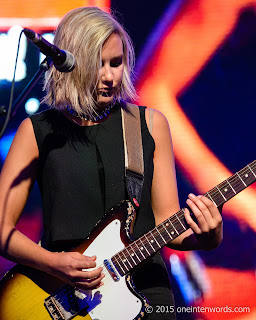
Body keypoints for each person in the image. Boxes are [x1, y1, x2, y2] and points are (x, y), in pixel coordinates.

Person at [0, 6, 223, 320]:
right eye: (97, 64)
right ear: (68, 65)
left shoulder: (149, 125)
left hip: (147, 297)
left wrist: (207, 236)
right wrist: (53, 263)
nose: (109, 75)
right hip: (62, 298)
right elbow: (1, 228)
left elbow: (167, 223)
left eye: (116, 63)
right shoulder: (36, 131)